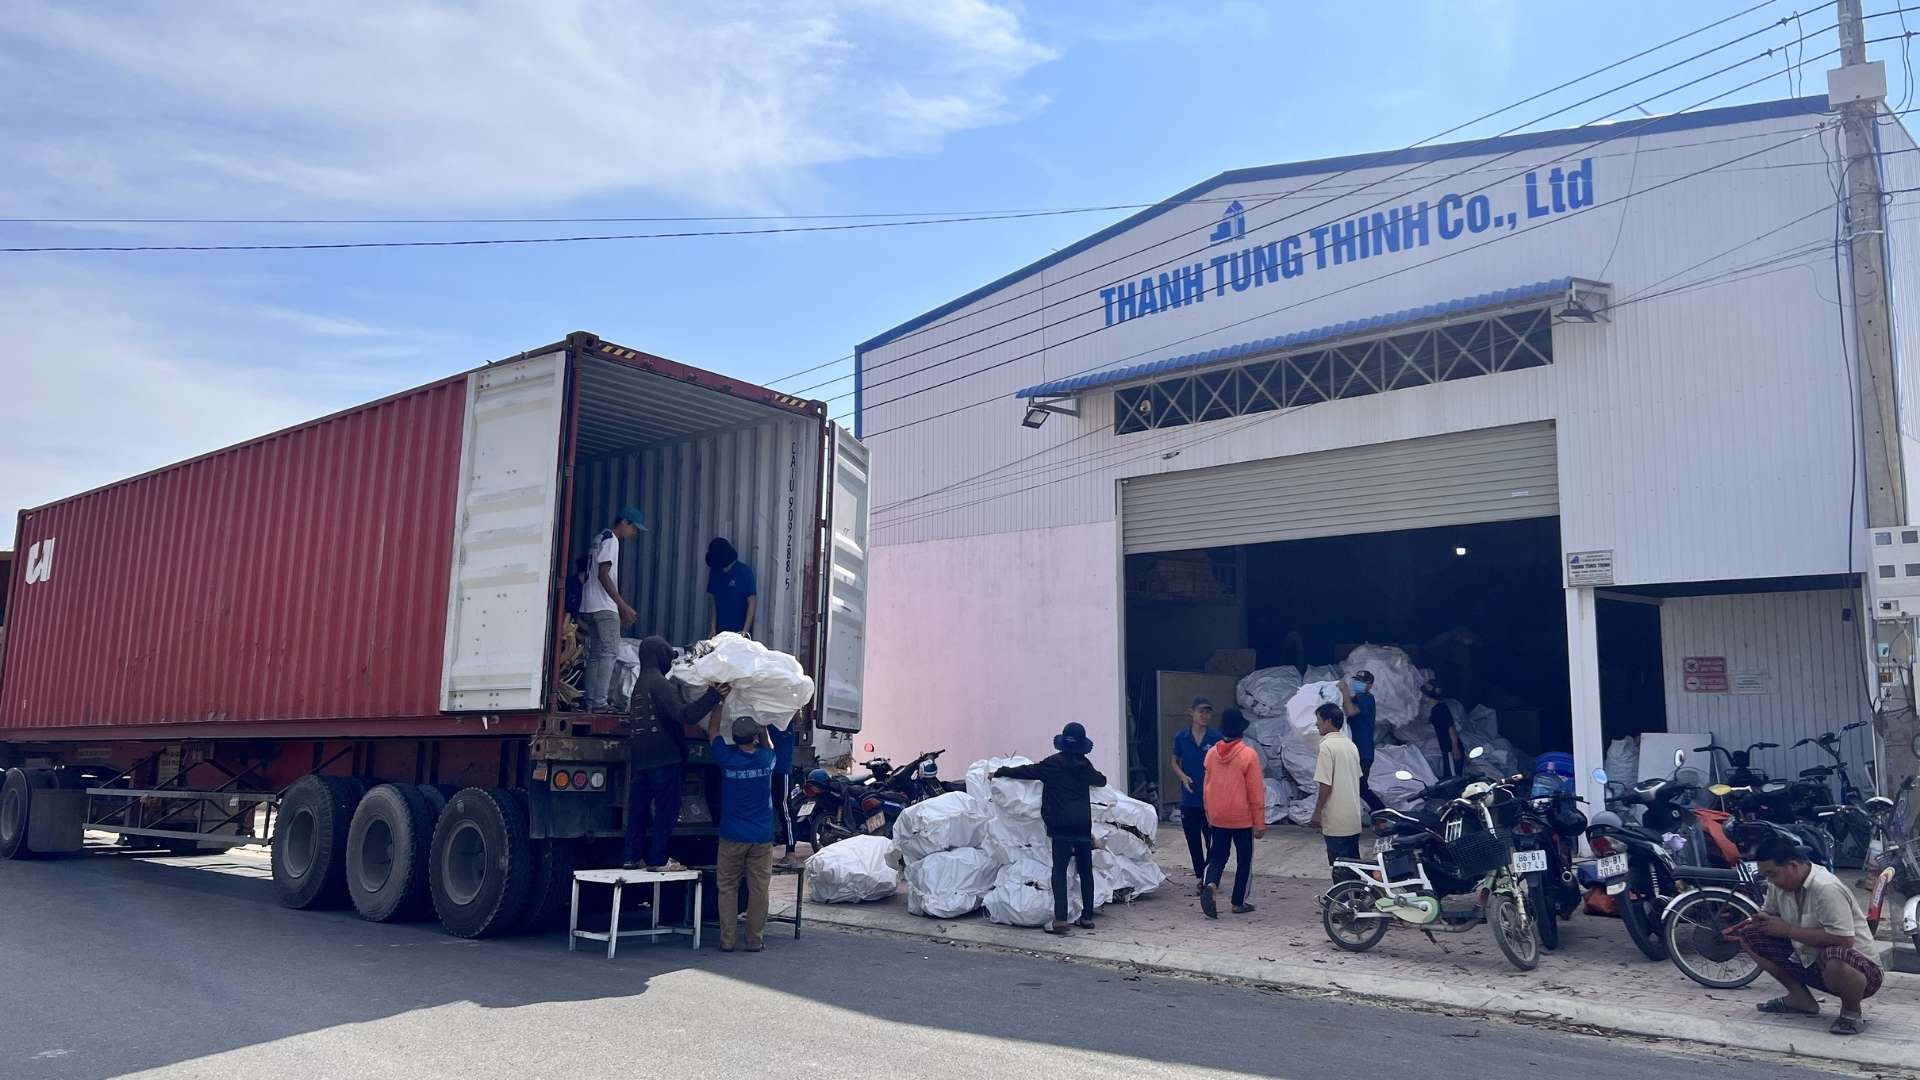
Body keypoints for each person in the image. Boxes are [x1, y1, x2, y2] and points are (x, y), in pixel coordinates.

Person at [1737, 837, 1884, 1035]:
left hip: (1861, 971)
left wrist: (1788, 931)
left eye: (1772, 874)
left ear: (1792, 866)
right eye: (1766, 876)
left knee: (1835, 955)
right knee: (1749, 935)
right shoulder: (1778, 885)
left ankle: (1851, 1012)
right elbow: (1770, 913)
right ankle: (1800, 999)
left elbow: (1844, 940)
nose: (1770, 880)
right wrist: (1762, 920)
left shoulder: (1826, 887)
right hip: (1810, 960)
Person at [621, 637, 726, 871]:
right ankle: (658, 860)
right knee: (665, 812)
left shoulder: (640, 685)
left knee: (638, 811)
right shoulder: (660, 683)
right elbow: (684, 715)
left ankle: (632, 857)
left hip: (641, 760)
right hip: (664, 759)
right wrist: (713, 696)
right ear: (659, 655)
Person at [993, 723, 1107, 935]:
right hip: (1082, 825)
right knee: (1085, 871)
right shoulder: (1085, 766)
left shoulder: (1052, 764)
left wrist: (1000, 771)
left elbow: (1027, 772)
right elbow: (1101, 781)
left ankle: (1061, 919)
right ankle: (1087, 917)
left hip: (1060, 826)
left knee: (1059, 871)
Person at [707, 710, 777, 952]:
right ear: (754, 737)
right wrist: (763, 727)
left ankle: (727, 940)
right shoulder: (765, 760)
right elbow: (769, 745)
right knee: (759, 888)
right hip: (761, 836)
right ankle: (755, 940)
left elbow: (713, 732)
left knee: (727, 886)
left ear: (734, 739)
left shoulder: (727, 760)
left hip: (731, 835)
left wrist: (717, 701)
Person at [1199, 709, 1265, 919]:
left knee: (1217, 856)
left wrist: (1209, 813)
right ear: (1241, 731)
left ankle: (1210, 884)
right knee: (1244, 860)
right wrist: (1260, 822)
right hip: (1242, 818)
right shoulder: (1248, 755)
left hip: (1218, 816)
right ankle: (1238, 902)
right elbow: (1255, 792)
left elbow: (1206, 787)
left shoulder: (1211, 754)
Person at [579, 508, 646, 712]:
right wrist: (622, 605)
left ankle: (590, 700)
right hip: (604, 606)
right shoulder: (611, 540)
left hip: (588, 605)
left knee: (595, 654)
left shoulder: (599, 537)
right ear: (624, 522)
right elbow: (604, 574)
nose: (633, 533)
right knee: (610, 652)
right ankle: (600, 702)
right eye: (633, 528)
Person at [1168, 696, 1222, 883]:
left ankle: (1210, 878)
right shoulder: (1181, 737)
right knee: (1193, 842)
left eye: (1208, 712)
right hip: (1189, 798)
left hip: (1211, 800)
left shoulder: (1216, 738)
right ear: (1191, 712)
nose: (1204, 715)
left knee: (1212, 842)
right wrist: (1183, 777)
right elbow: (1174, 761)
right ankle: (1201, 877)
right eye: (1201, 711)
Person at [1309, 702, 1365, 878]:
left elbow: (1326, 784)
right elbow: (1357, 779)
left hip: (1336, 820)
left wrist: (1317, 813)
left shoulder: (1326, 747)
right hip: (1353, 818)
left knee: (1339, 868)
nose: (1316, 724)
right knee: (1354, 866)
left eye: (1318, 720)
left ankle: (1343, 903)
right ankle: (1357, 900)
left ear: (1328, 721)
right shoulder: (1350, 745)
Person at [1340, 670, 1386, 813]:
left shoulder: (1366, 698)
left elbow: (1351, 711)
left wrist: (1345, 692)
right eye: (1356, 680)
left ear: (1370, 685)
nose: (1357, 684)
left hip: (1362, 751)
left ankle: (1381, 812)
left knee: (1360, 787)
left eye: (1362, 682)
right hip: (1355, 750)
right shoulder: (1357, 698)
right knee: (1354, 786)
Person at [706, 537, 758, 638]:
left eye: (726, 567)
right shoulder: (715, 572)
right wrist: (713, 628)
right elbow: (714, 603)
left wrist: (745, 631)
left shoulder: (744, 572)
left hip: (739, 632)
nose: (724, 570)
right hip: (720, 632)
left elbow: (752, 602)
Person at [768, 720, 798, 864]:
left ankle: (791, 851)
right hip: (766, 768)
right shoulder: (770, 721)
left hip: (781, 770)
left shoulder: (785, 722)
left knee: (784, 808)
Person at [1421, 684, 1464, 778]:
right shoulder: (1435, 709)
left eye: (1426, 696)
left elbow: (1451, 729)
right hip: (1445, 747)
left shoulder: (1440, 709)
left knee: (1453, 775)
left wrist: (1454, 747)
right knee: (1449, 772)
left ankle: (1456, 791)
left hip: (1450, 747)